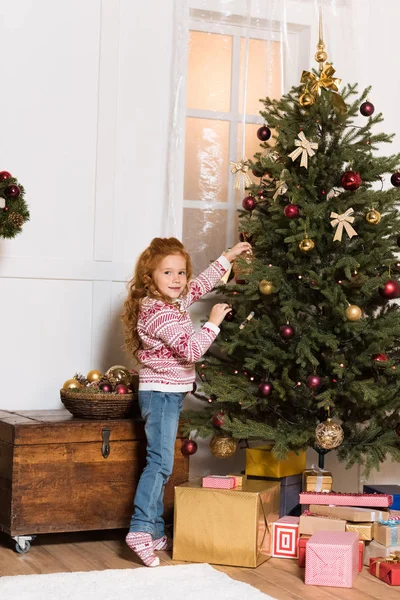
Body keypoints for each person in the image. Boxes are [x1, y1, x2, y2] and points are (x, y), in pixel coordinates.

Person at [121, 237, 251, 567]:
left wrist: (228, 257)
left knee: (161, 461)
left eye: (181, 272)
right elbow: (192, 351)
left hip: (170, 391)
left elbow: (200, 284)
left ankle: (150, 529)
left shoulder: (171, 302)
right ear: (150, 277)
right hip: (161, 393)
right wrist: (213, 323)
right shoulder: (159, 315)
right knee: (160, 463)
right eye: (168, 273)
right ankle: (139, 528)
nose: (178, 280)